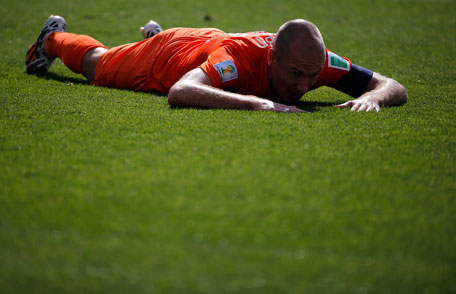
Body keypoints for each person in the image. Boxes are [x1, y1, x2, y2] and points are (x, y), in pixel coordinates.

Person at [26, 15, 407, 113]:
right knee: (99, 64)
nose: (305, 87)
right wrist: (259, 103)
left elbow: (391, 85)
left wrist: (375, 98)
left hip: (205, 47)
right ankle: (52, 39)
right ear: (272, 56)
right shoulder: (238, 61)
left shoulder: (312, 60)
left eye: (312, 77)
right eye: (295, 75)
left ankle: (146, 39)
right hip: (170, 56)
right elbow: (181, 91)